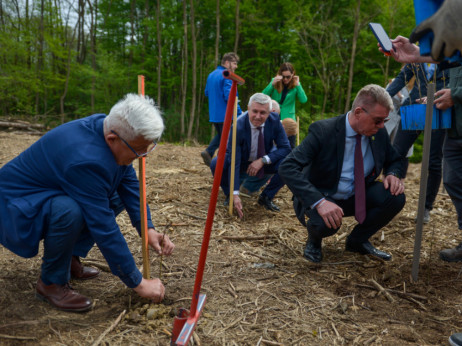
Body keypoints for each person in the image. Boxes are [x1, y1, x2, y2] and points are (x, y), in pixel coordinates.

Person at [0, 94, 175, 312]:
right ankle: (51, 283)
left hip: (48, 193)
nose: (142, 156)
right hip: (16, 207)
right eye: (138, 150)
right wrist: (138, 282)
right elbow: (103, 225)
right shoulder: (86, 160)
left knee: (115, 195)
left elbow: (128, 184)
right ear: (112, 139)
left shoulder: (110, 129)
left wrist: (147, 228)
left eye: (146, 148)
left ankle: (68, 258)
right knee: (69, 211)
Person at [279, 84, 406, 263]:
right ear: (359, 112)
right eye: (377, 120)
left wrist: (393, 173)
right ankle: (314, 241)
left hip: (357, 195)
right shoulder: (323, 130)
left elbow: (394, 159)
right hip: (324, 195)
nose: (381, 126)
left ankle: (357, 241)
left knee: (395, 197)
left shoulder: (379, 132)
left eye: (384, 121)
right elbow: (287, 167)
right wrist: (319, 202)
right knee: (326, 224)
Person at [210, 93, 291, 218]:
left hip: (263, 161)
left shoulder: (275, 121)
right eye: (255, 111)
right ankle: (229, 195)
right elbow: (234, 160)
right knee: (217, 163)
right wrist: (235, 193)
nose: (258, 116)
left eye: (263, 112)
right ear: (248, 109)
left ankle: (266, 197)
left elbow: (285, 148)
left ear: (270, 112)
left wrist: (263, 160)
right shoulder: (238, 126)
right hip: (241, 160)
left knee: (288, 164)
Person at [386, 63, 449, 223]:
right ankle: (387, 200)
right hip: (414, 107)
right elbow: (402, 78)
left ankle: (426, 208)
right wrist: (382, 98)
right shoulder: (418, 53)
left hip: (439, 108)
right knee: (396, 152)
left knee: (433, 160)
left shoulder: (451, 52)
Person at [202, 52, 242, 166]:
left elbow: (207, 92)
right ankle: (221, 164)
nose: (236, 66)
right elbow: (230, 96)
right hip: (226, 114)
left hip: (215, 115)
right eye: (234, 63)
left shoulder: (211, 75)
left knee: (222, 136)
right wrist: (239, 113)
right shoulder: (227, 75)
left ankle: (209, 152)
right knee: (229, 141)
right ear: (227, 63)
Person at [262, 62, 307, 149]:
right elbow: (263, 96)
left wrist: (298, 85)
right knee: (273, 146)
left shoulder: (296, 85)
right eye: (283, 76)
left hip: (289, 120)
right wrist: (272, 84)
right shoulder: (274, 82)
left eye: (288, 77)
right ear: (280, 74)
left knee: (290, 147)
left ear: (293, 74)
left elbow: (303, 100)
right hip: (274, 118)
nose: (285, 79)